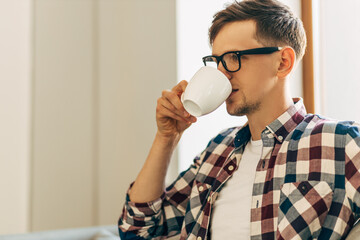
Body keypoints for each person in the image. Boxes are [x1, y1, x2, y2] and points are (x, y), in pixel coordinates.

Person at [118, 0, 360, 239]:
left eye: (234, 57)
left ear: (283, 63)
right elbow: (137, 229)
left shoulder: (340, 143)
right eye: (217, 61)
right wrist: (167, 138)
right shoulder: (217, 152)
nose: (222, 74)